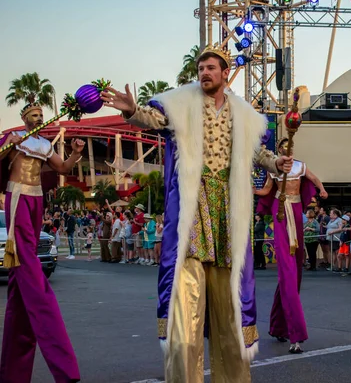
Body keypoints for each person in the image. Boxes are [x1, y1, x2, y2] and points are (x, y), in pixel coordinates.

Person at [101, 44, 292, 382]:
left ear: (224, 73)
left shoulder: (242, 113)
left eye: (211, 68)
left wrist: (276, 163)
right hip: (191, 212)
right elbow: (155, 119)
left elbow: (256, 151)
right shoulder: (182, 105)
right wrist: (133, 110)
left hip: (226, 216)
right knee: (185, 316)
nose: (204, 73)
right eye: (201, 68)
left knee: (230, 311)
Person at [0, 98, 83, 382]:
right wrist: (7, 146)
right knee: (28, 264)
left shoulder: (45, 144)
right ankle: (64, 366)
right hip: (18, 195)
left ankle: (13, 373)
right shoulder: (15, 139)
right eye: (33, 114)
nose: (37, 117)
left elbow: (62, 169)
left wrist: (75, 153)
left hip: (37, 200)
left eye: (40, 114)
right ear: (24, 118)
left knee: (18, 290)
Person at [255, 137, 327, 353]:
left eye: (290, 147)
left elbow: (314, 179)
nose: (288, 149)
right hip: (280, 210)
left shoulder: (300, 166)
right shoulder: (274, 168)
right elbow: (267, 190)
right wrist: (247, 189)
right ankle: (295, 334)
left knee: (294, 274)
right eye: (284, 147)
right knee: (287, 272)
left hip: (296, 211)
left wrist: (322, 190)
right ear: (278, 149)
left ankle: (279, 326)